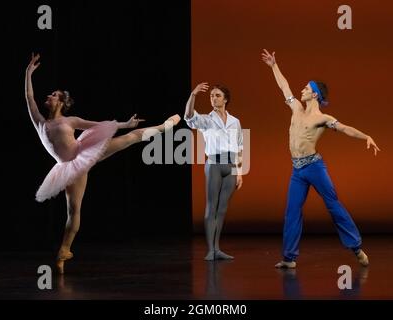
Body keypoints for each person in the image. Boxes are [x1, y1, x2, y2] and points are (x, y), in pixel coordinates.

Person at [25, 53, 180, 273]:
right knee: (73, 210)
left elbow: (100, 125)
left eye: (54, 95)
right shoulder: (39, 121)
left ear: (61, 102)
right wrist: (28, 74)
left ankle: (164, 126)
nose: (49, 96)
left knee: (131, 137)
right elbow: (29, 99)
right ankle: (63, 252)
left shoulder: (71, 120)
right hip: (68, 166)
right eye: (51, 94)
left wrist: (125, 124)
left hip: (83, 151)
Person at [261, 49, 380, 268]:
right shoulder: (296, 108)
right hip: (297, 170)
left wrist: (366, 136)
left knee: (333, 205)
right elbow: (283, 86)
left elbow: (345, 128)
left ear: (314, 94)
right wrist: (273, 66)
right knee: (292, 211)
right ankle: (289, 258)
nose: (302, 90)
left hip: (314, 167)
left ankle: (357, 248)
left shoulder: (322, 118)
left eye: (306, 88)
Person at [184, 82, 243, 260]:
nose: (213, 98)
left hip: (230, 166)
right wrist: (193, 95)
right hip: (214, 165)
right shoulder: (206, 120)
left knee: (222, 209)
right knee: (212, 206)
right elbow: (188, 116)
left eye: (217, 95)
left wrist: (240, 172)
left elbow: (240, 146)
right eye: (211, 95)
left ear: (225, 99)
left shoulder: (235, 121)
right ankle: (211, 249)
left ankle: (218, 248)